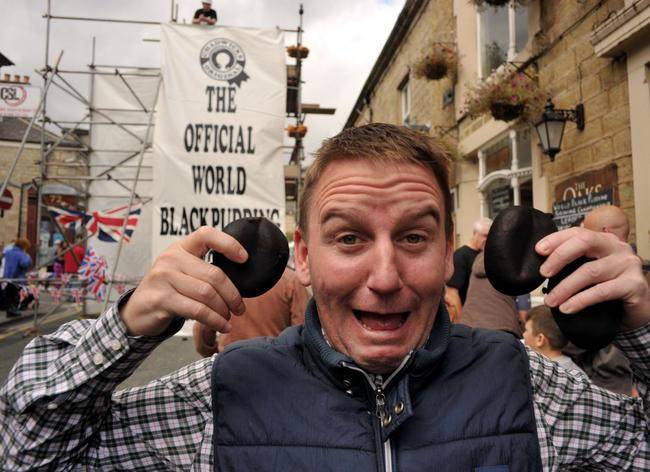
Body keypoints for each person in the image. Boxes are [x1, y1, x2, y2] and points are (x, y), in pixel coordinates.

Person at [1, 123, 650, 470]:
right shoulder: (216, 397)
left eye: (416, 238)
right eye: (348, 239)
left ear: (452, 244)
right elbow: (30, 453)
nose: (386, 275)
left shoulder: (534, 390)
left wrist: (644, 332)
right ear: (302, 257)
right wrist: (123, 329)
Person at [568, 204, 635, 396]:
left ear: (605, 233)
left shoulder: (596, 278)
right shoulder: (643, 274)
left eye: (587, 234)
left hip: (610, 387)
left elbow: (578, 341)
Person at [192, 267, 309, 356]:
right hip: (274, 366)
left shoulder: (222, 279)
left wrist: (217, 355)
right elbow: (303, 335)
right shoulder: (291, 280)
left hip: (230, 363)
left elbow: (201, 334)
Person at [457, 251, 523, 338]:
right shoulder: (513, 260)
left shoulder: (480, 258)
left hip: (469, 325)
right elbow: (523, 309)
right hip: (502, 326)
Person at [445, 217, 492, 318]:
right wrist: (461, 324)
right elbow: (452, 293)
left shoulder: (484, 255)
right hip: (468, 320)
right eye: (485, 236)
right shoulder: (460, 257)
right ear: (474, 234)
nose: (488, 240)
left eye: (490, 236)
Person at [523, 305, 584, 373]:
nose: (523, 334)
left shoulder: (538, 373)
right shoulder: (578, 373)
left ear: (540, 339)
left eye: (526, 330)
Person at [1, 238, 33, 317]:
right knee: (14, 294)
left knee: (8, 294)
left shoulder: (8, 252)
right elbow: (24, 264)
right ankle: (12, 310)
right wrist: (28, 258)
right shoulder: (21, 254)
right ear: (24, 246)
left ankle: (10, 310)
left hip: (7, 276)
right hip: (17, 277)